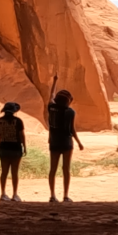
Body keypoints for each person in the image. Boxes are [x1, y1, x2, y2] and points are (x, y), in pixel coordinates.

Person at [47, 74, 84, 203]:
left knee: (53, 169)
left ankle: (52, 195)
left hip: (54, 143)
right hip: (67, 143)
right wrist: (79, 143)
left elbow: (51, 95)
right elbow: (72, 130)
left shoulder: (51, 108)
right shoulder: (70, 112)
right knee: (66, 169)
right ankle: (66, 196)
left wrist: (54, 81)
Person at [0, 102, 27, 202]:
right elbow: (22, 135)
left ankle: (3, 194)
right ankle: (15, 195)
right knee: (14, 173)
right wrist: (25, 147)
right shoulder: (18, 121)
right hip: (16, 149)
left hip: (3, 149)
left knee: (4, 172)